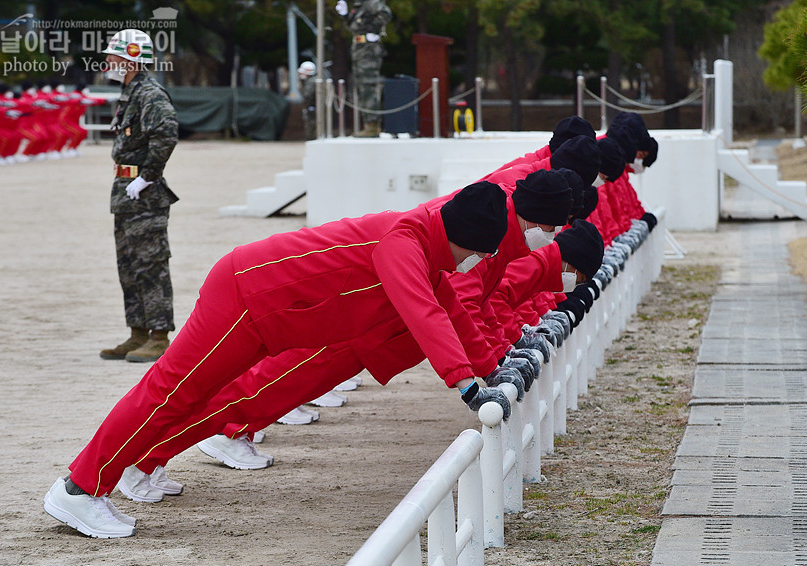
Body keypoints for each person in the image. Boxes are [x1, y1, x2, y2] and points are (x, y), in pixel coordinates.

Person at [42, 181, 514, 538]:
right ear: (459, 235)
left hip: (266, 319)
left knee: (190, 396)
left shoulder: (431, 254)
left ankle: (133, 464)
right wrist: (464, 384)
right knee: (170, 390)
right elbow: (424, 311)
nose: (476, 262)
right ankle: (79, 488)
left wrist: (489, 368)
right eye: (476, 253)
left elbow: (450, 309)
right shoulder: (404, 241)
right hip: (246, 298)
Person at [97, 29, 179, 364]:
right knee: (128, 265)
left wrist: (147, 177)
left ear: (130, 58)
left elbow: (167, 134)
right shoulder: (130, 92)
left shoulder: (150, 93)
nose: (107, 61)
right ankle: (138, 332)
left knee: (150, 265)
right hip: (126, 193)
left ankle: (159, 336)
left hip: (144, 194)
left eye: (112, 56)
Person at [335, 0, 392, 137]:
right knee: (361, 86)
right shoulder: (359, 6)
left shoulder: (371, 2)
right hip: (360, 48)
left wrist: (374, 29)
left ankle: (372, 125)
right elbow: (354, 27)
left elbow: (385, 14)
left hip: (368, 48)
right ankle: (368, 123)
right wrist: (345, 16)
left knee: (368, 85)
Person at [298, 61, 318, 140]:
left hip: (312, 107)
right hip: (313, 107)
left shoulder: (311, 82)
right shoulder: (313, 80)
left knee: (311, 125)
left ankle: (311, 139)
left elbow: (307, 95)